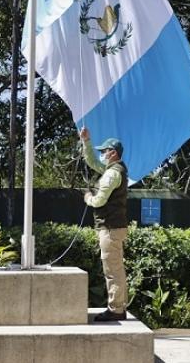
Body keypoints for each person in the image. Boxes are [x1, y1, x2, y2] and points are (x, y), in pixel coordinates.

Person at [79, 126, 129, 322]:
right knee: (115, 268)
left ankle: (116, 309)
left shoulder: (112, 174)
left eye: (104, 151)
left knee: (113, 270)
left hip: (110, 228)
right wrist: (86, 141)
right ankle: (118, 306)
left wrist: (88, 198)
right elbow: (92, 161)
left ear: (113, 153)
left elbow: (99, 201)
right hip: (113, 227)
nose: (102, 154)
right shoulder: (114, 170)